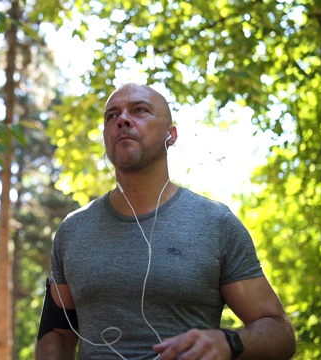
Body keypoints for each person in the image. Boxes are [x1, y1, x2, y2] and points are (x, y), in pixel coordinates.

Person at [35, 83, 296, 360]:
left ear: (170, 135)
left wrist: (228, 342)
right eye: (111, 116)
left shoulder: (215, 224)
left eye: (140, 111)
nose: (122, 119)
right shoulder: (73, 231)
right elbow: (58, 334)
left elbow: (280, 334)